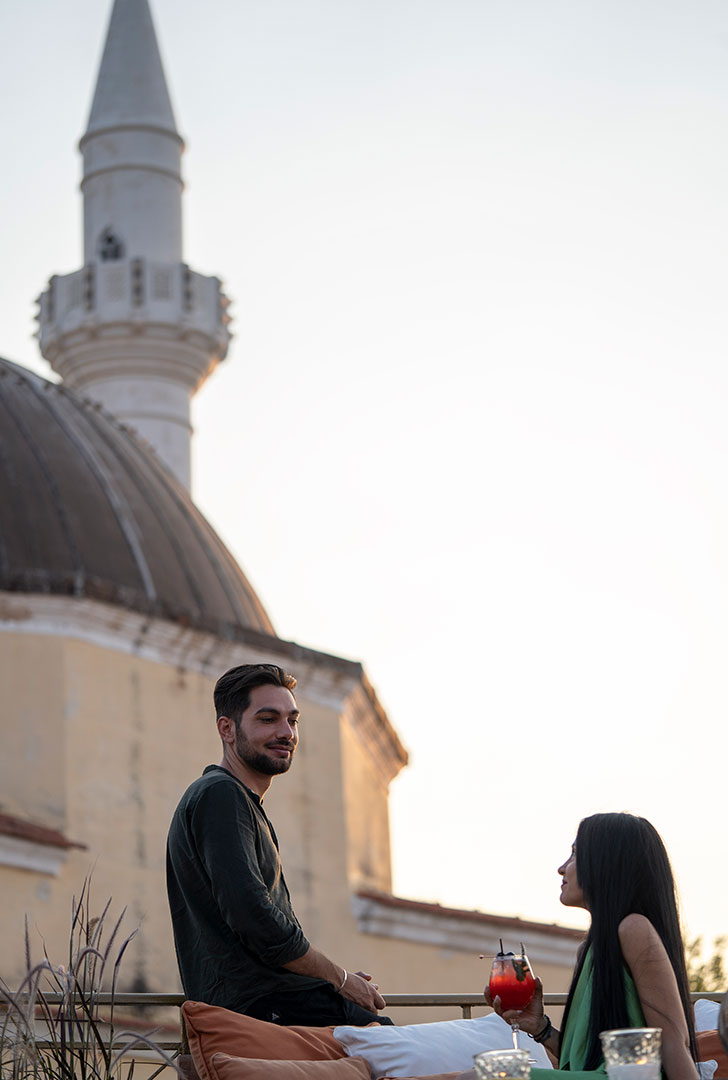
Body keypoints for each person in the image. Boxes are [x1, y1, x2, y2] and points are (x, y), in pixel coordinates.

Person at [166, 663, 391, 1026]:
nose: (286, 732)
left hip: (274, 1001)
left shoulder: (238, 801)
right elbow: (257, 921)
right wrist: (341, 980)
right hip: (267, 1007)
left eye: (292, 720)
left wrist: (334, 981)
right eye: (268, 719)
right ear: (227, 728)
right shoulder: (221, 795)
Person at [485, 813, 698, 1080]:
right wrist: (541, 1028)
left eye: (575, 854)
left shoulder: (634, 929)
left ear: (606, 863)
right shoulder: (590, 949)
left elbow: (674, 1042)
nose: (562, 868)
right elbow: (588, 1063)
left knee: (481, 1077)